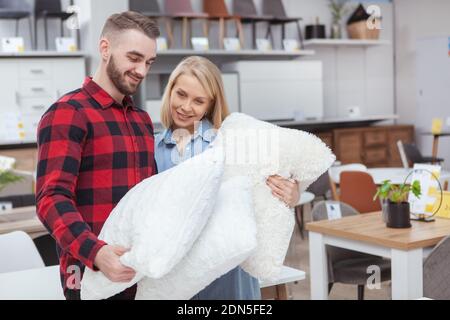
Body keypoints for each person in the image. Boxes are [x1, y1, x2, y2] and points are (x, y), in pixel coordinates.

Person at [35, 11, 159, 300]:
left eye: (148, 62)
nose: (142, 70)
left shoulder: (142, 121)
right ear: (105, 49)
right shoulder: (68, 113)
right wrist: (97, 252)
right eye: (134, 57)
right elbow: (51, 199)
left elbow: (150, 197)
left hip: (141, 273)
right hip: (88, 274)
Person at [155, 56, 300, 300]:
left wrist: (291, 194)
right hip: (177, 273)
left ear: (211, 104)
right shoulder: (152, 148)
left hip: (228, 273)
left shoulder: (230, 142)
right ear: (170, 91)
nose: (186, 106)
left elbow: (268, 192)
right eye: (180, 94)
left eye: (198, 101)